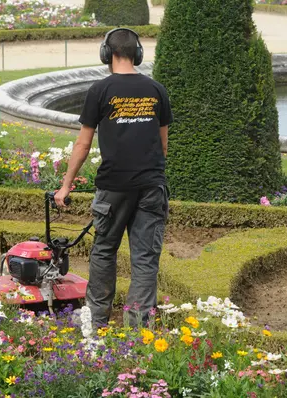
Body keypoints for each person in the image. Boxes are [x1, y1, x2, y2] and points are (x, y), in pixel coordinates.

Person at [54, 28, 174, 328]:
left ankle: (95, 324)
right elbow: (163, 146)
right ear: (138, 53)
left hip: (113, 187)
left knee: (105, 252)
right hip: (151, 185)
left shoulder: (100, 90)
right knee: (145, 259)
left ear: (107, 54)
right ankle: (138, 332)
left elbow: (83, 144)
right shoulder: (157, 90)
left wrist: (66, 185)